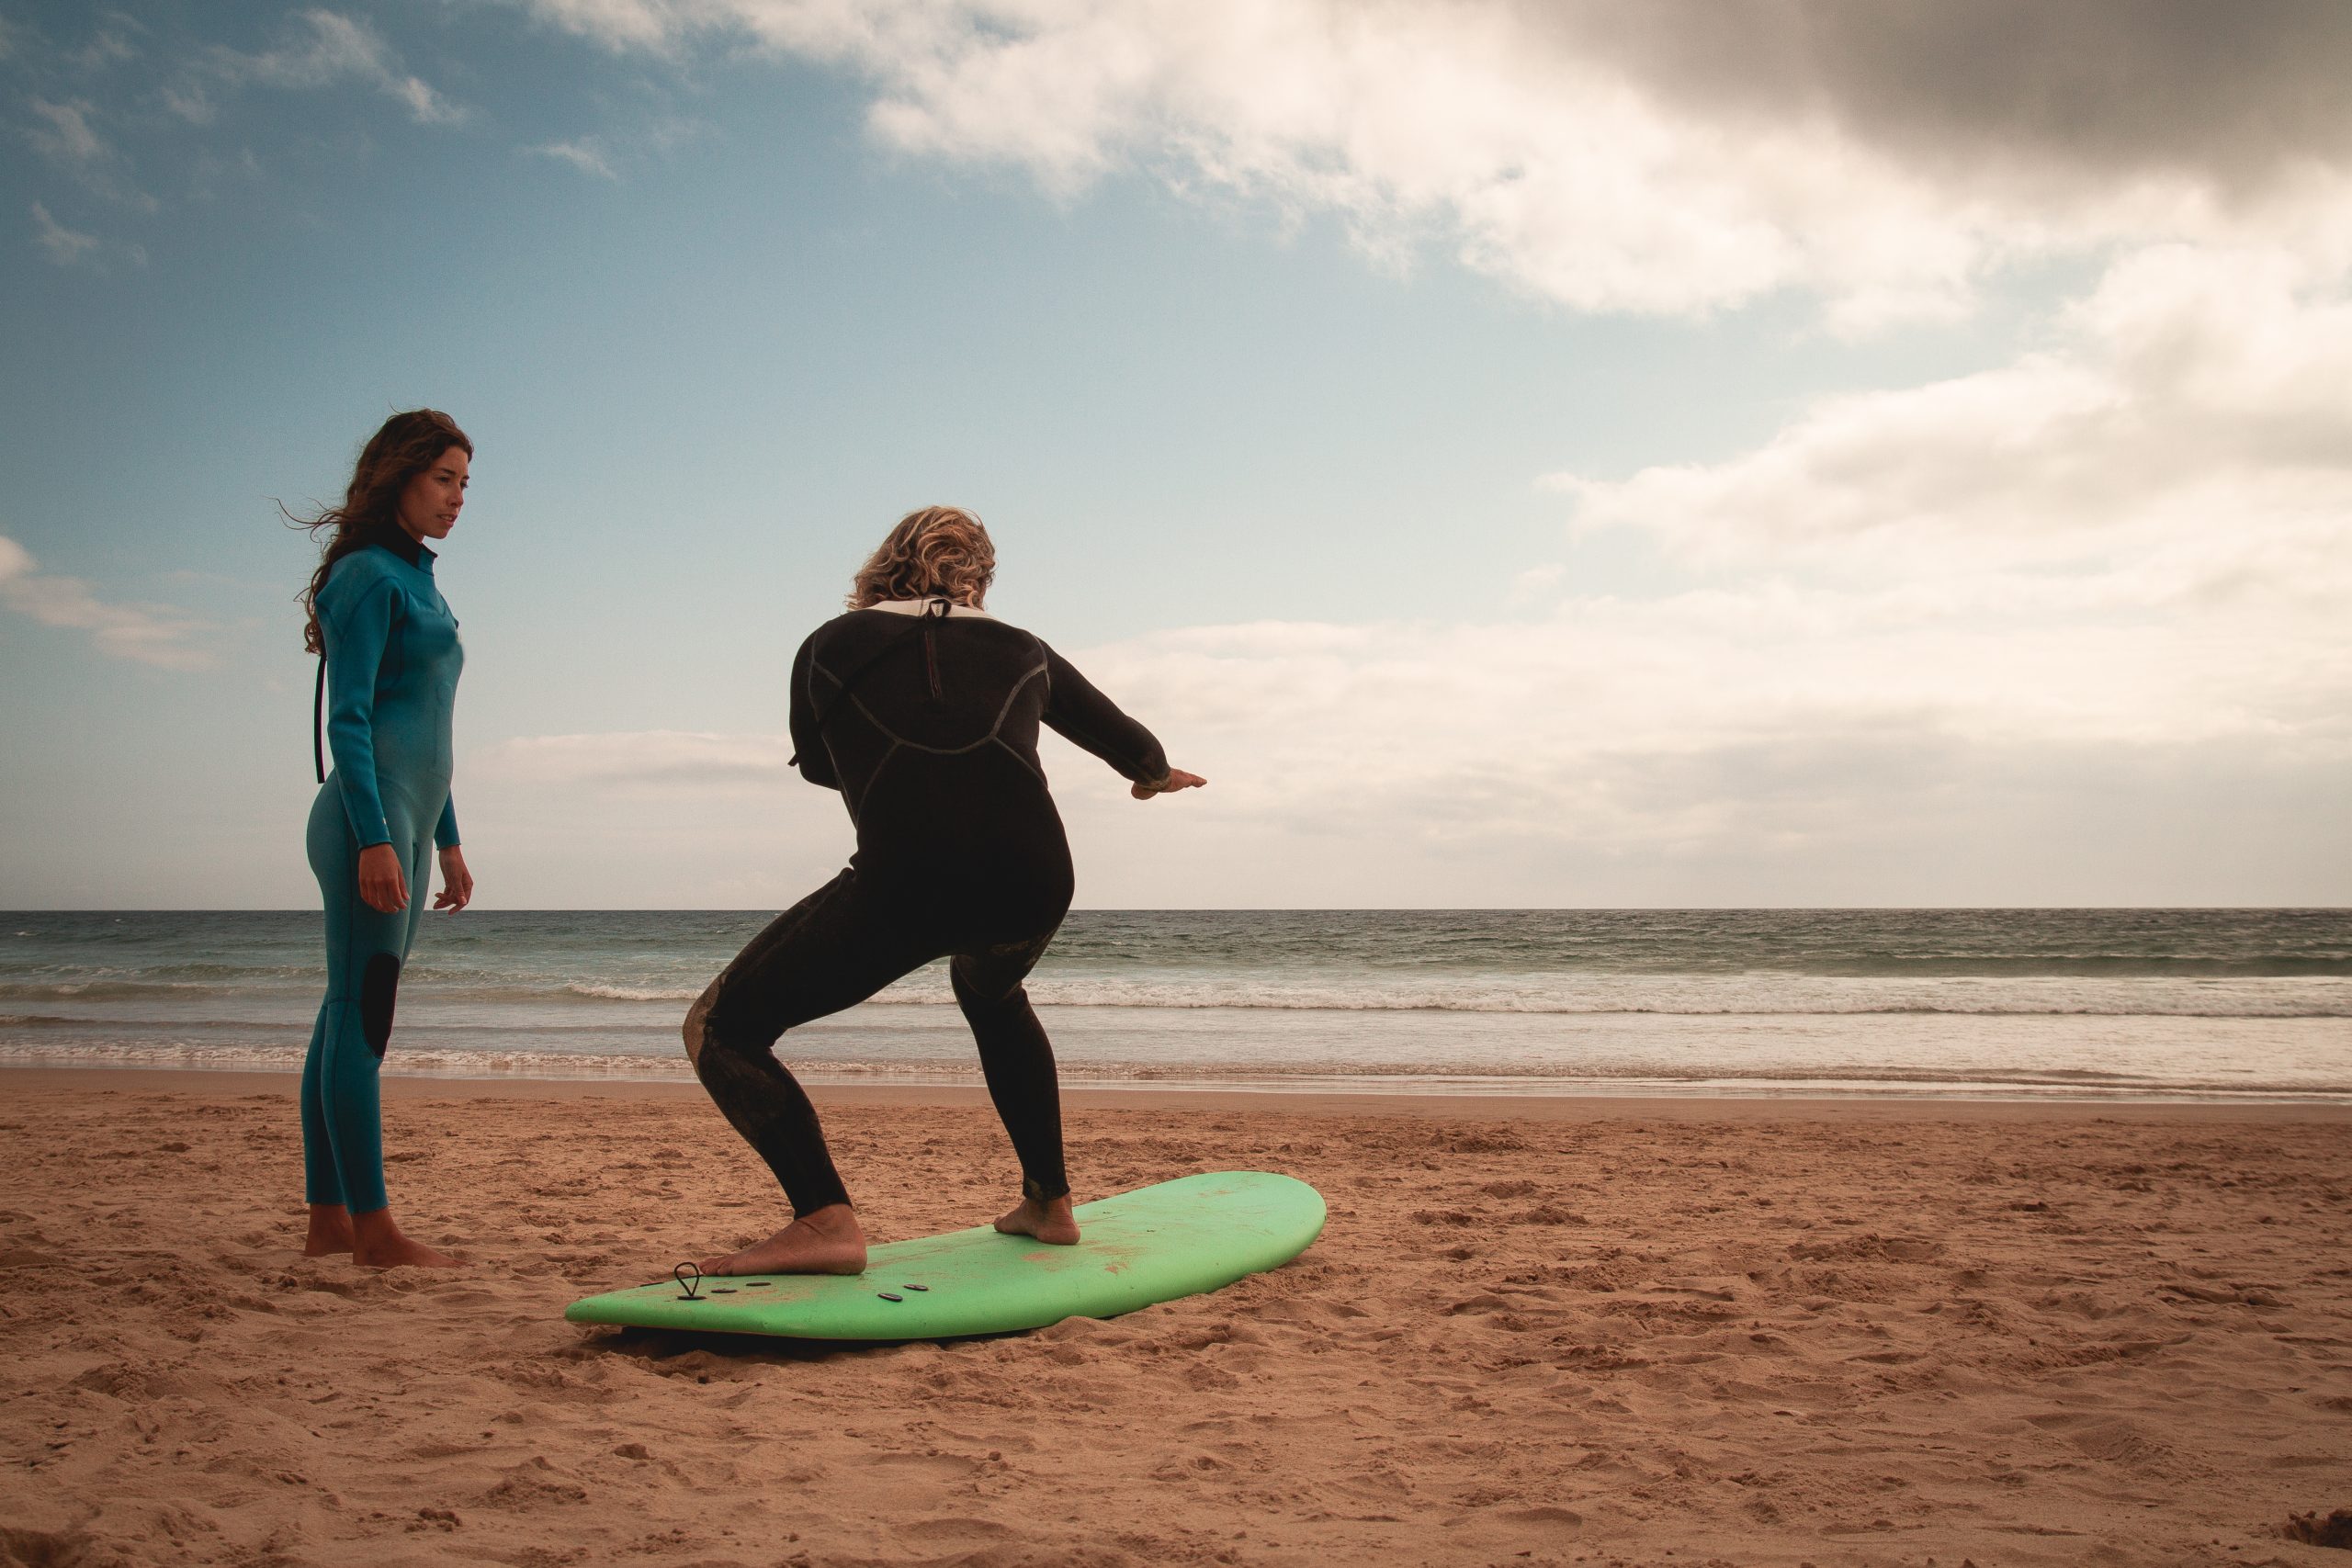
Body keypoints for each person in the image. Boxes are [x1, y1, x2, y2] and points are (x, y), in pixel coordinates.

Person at [685, 506, 1205, 1275]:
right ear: (981, 576)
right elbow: (1136, 746)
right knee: (992, 994)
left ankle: (825, 1219)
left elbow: (824, 764)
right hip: (1034, 877)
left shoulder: (828, 644)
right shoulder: (1022, 648)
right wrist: (1154, 781)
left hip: (911, 877)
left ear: (883, 562)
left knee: (722, 1029)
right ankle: (1050, 1202)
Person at [291, 409, 477, 1269]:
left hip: (403, 820)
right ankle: (373, 1229)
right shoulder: (368, 576)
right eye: (443, 478)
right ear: (397, 474)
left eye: (464, 483)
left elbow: (429, 731)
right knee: (362, 1016)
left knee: (343, 1015)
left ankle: (330, 1218)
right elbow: (352, 720)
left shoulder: (422, 583)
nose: (456, 498)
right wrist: (375, 837)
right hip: (365, 821)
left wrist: (447, 840)